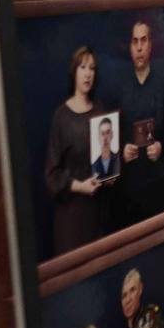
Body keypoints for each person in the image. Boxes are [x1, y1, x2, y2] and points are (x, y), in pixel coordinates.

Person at [114, 19, 164, 226]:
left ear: (151, 44)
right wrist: (120, 151)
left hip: (158, 181)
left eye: (144, 40)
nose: (140, 47)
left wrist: (163, 146)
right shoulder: (120, 86)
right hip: (129, 185)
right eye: (135, 41)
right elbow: (108, 130)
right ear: (130, 46)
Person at [45, 47, 108, 255]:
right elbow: (51, 175)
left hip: (97, 213)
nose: (88, 73)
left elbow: (107, 160)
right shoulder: (61, 117)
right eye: (83, 67)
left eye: (92, 68)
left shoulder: (100, 110)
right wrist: (80, 186)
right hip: (70, 219)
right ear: (74, 71)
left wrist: (111, 174)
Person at [91, 115, 120, 180]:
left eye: (107, 132)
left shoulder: (119, 160)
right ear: (98, 137)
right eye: (102, 133)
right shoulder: (93, 167)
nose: (105, 138)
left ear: (112, 135)